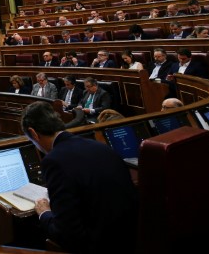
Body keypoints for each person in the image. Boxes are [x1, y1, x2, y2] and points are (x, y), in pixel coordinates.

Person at [21, 102, 138, 254]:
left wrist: (44, 212)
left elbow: (67, 233)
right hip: (130, 238)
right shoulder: (100, 146)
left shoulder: (54, 161)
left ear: (34, 133)